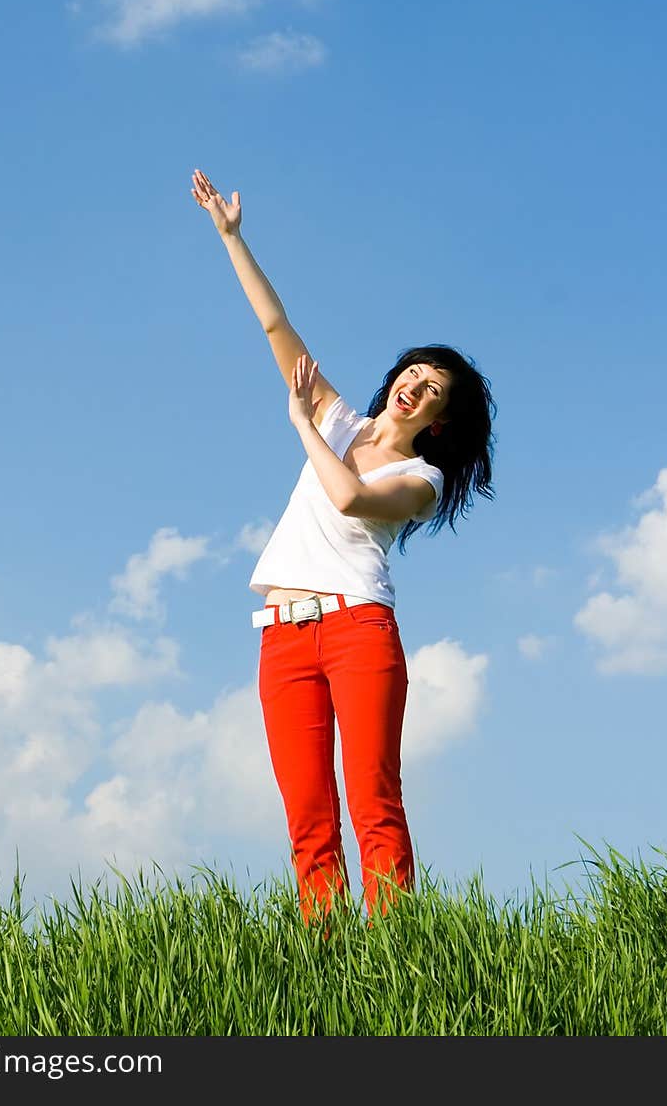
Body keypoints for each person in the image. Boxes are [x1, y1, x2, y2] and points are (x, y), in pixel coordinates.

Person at [190, 168, 496, 924]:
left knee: (373, 799)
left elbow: (353, 497)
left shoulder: (419, 476)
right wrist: (233, 238)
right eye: (412, 376)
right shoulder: (336, 417)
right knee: (307, 814)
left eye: (431, 392)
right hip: (282, 638)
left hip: (360, 631)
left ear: (439, 423)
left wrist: (300, 425)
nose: (413, 389)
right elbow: (275, 326)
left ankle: (392, 958)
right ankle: (323, 964)